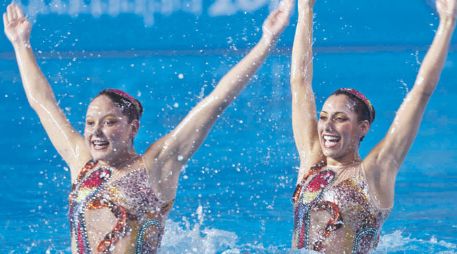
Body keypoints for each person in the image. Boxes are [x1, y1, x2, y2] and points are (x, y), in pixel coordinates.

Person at [2, 1, 292, 253]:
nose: (95, 132)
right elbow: (43, 104)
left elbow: (216, 101)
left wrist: (266, 41)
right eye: (90, 123)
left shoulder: (156, 166)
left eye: (109, 122)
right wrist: (20, 44)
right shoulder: (81, 161)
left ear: (133, 128)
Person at [290, 0, 456, 252]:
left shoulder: (374, 174)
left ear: (363, 127)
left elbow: (420, 94)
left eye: (340, 118)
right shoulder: (312, 160)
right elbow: (299, 82)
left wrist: (447, 23)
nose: (327, 127)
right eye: (323, 117)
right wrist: (305, 9)